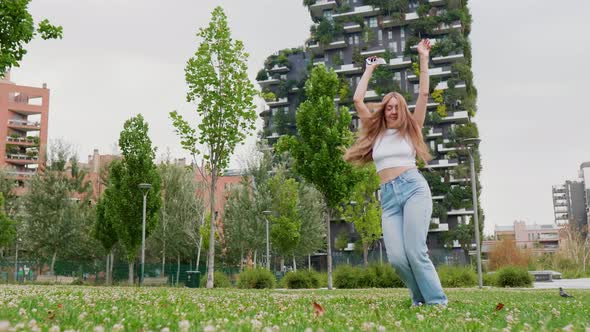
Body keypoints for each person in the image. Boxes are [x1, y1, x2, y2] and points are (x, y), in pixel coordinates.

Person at [345, 39, 447, 306]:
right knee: (398, 259)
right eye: (388, 107)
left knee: (416, 252)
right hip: (388, 198)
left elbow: (423, 95)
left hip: (413, 188)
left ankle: (435, 302)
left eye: (396, 107)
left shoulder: (412, 128)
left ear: (402, 111)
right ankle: (419, 299)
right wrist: (369, 68)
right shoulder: (376, 131)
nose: (391, 111)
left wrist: (423, 57)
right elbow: (357, 99)